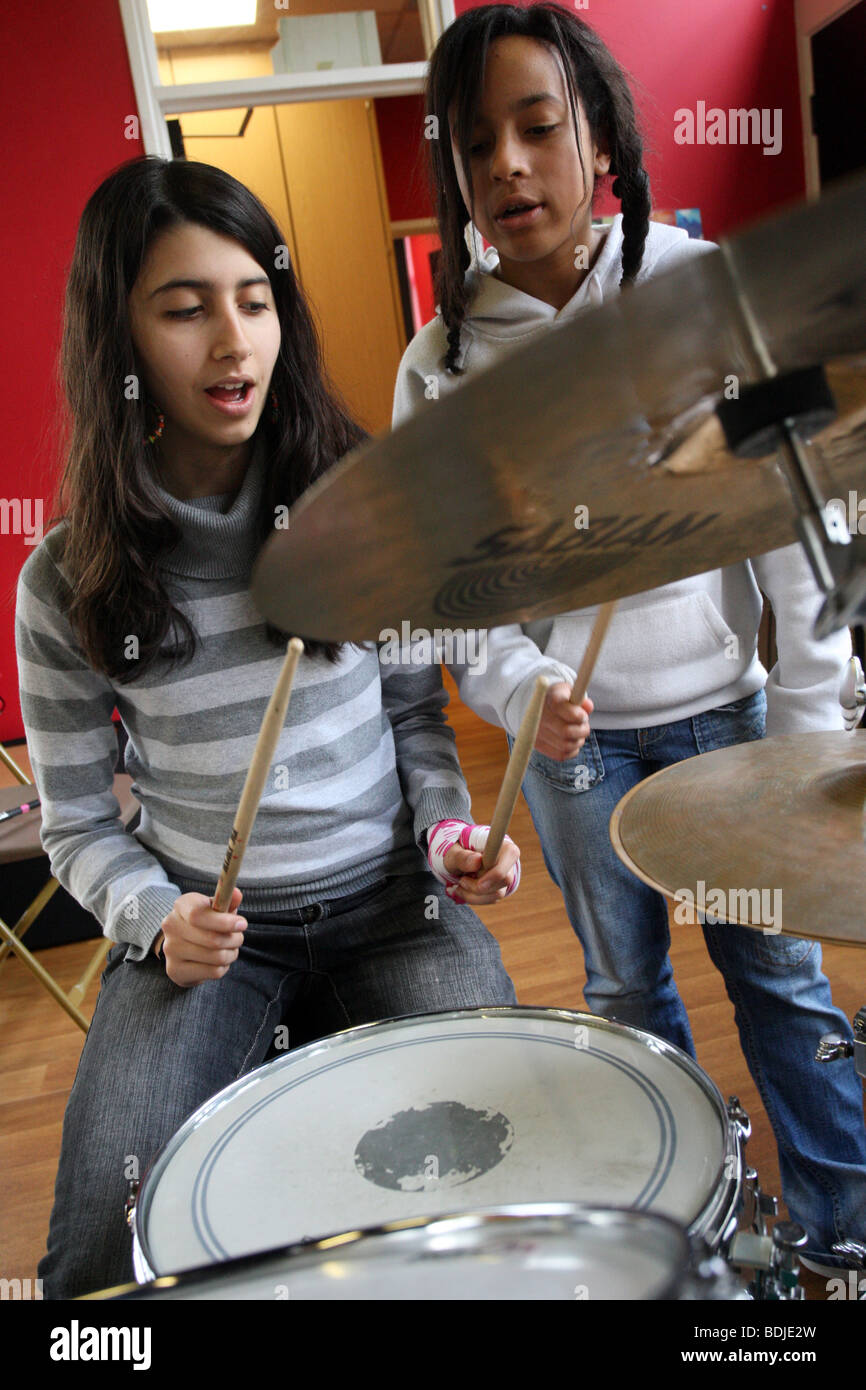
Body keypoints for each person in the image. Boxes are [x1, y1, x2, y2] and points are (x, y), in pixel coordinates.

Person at [392, 1, 866, 1274]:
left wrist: (806, 738)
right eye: (471, 139)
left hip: (731, 720)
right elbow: (457, 599)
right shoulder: (435, 369)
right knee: (621, 998)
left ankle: (847, 1230)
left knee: (778, 981)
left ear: (598, 136)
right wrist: (519, 684)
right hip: (572, 754)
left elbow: (799, 520)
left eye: (537, 126)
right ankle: (684, 1230)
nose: (503, 164)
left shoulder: (700, 292)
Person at [15, 155, 521, 1299]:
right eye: (185, 310)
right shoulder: (67, 581)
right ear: (119, 339)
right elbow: (78, 825)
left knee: (511, 1155)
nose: (233, 343)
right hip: (207, 940)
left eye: (254, 301)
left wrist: (448, 836)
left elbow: (413, 721)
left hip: (392, 906)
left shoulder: (363, 507)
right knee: (102, 1246)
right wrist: (157, 917)